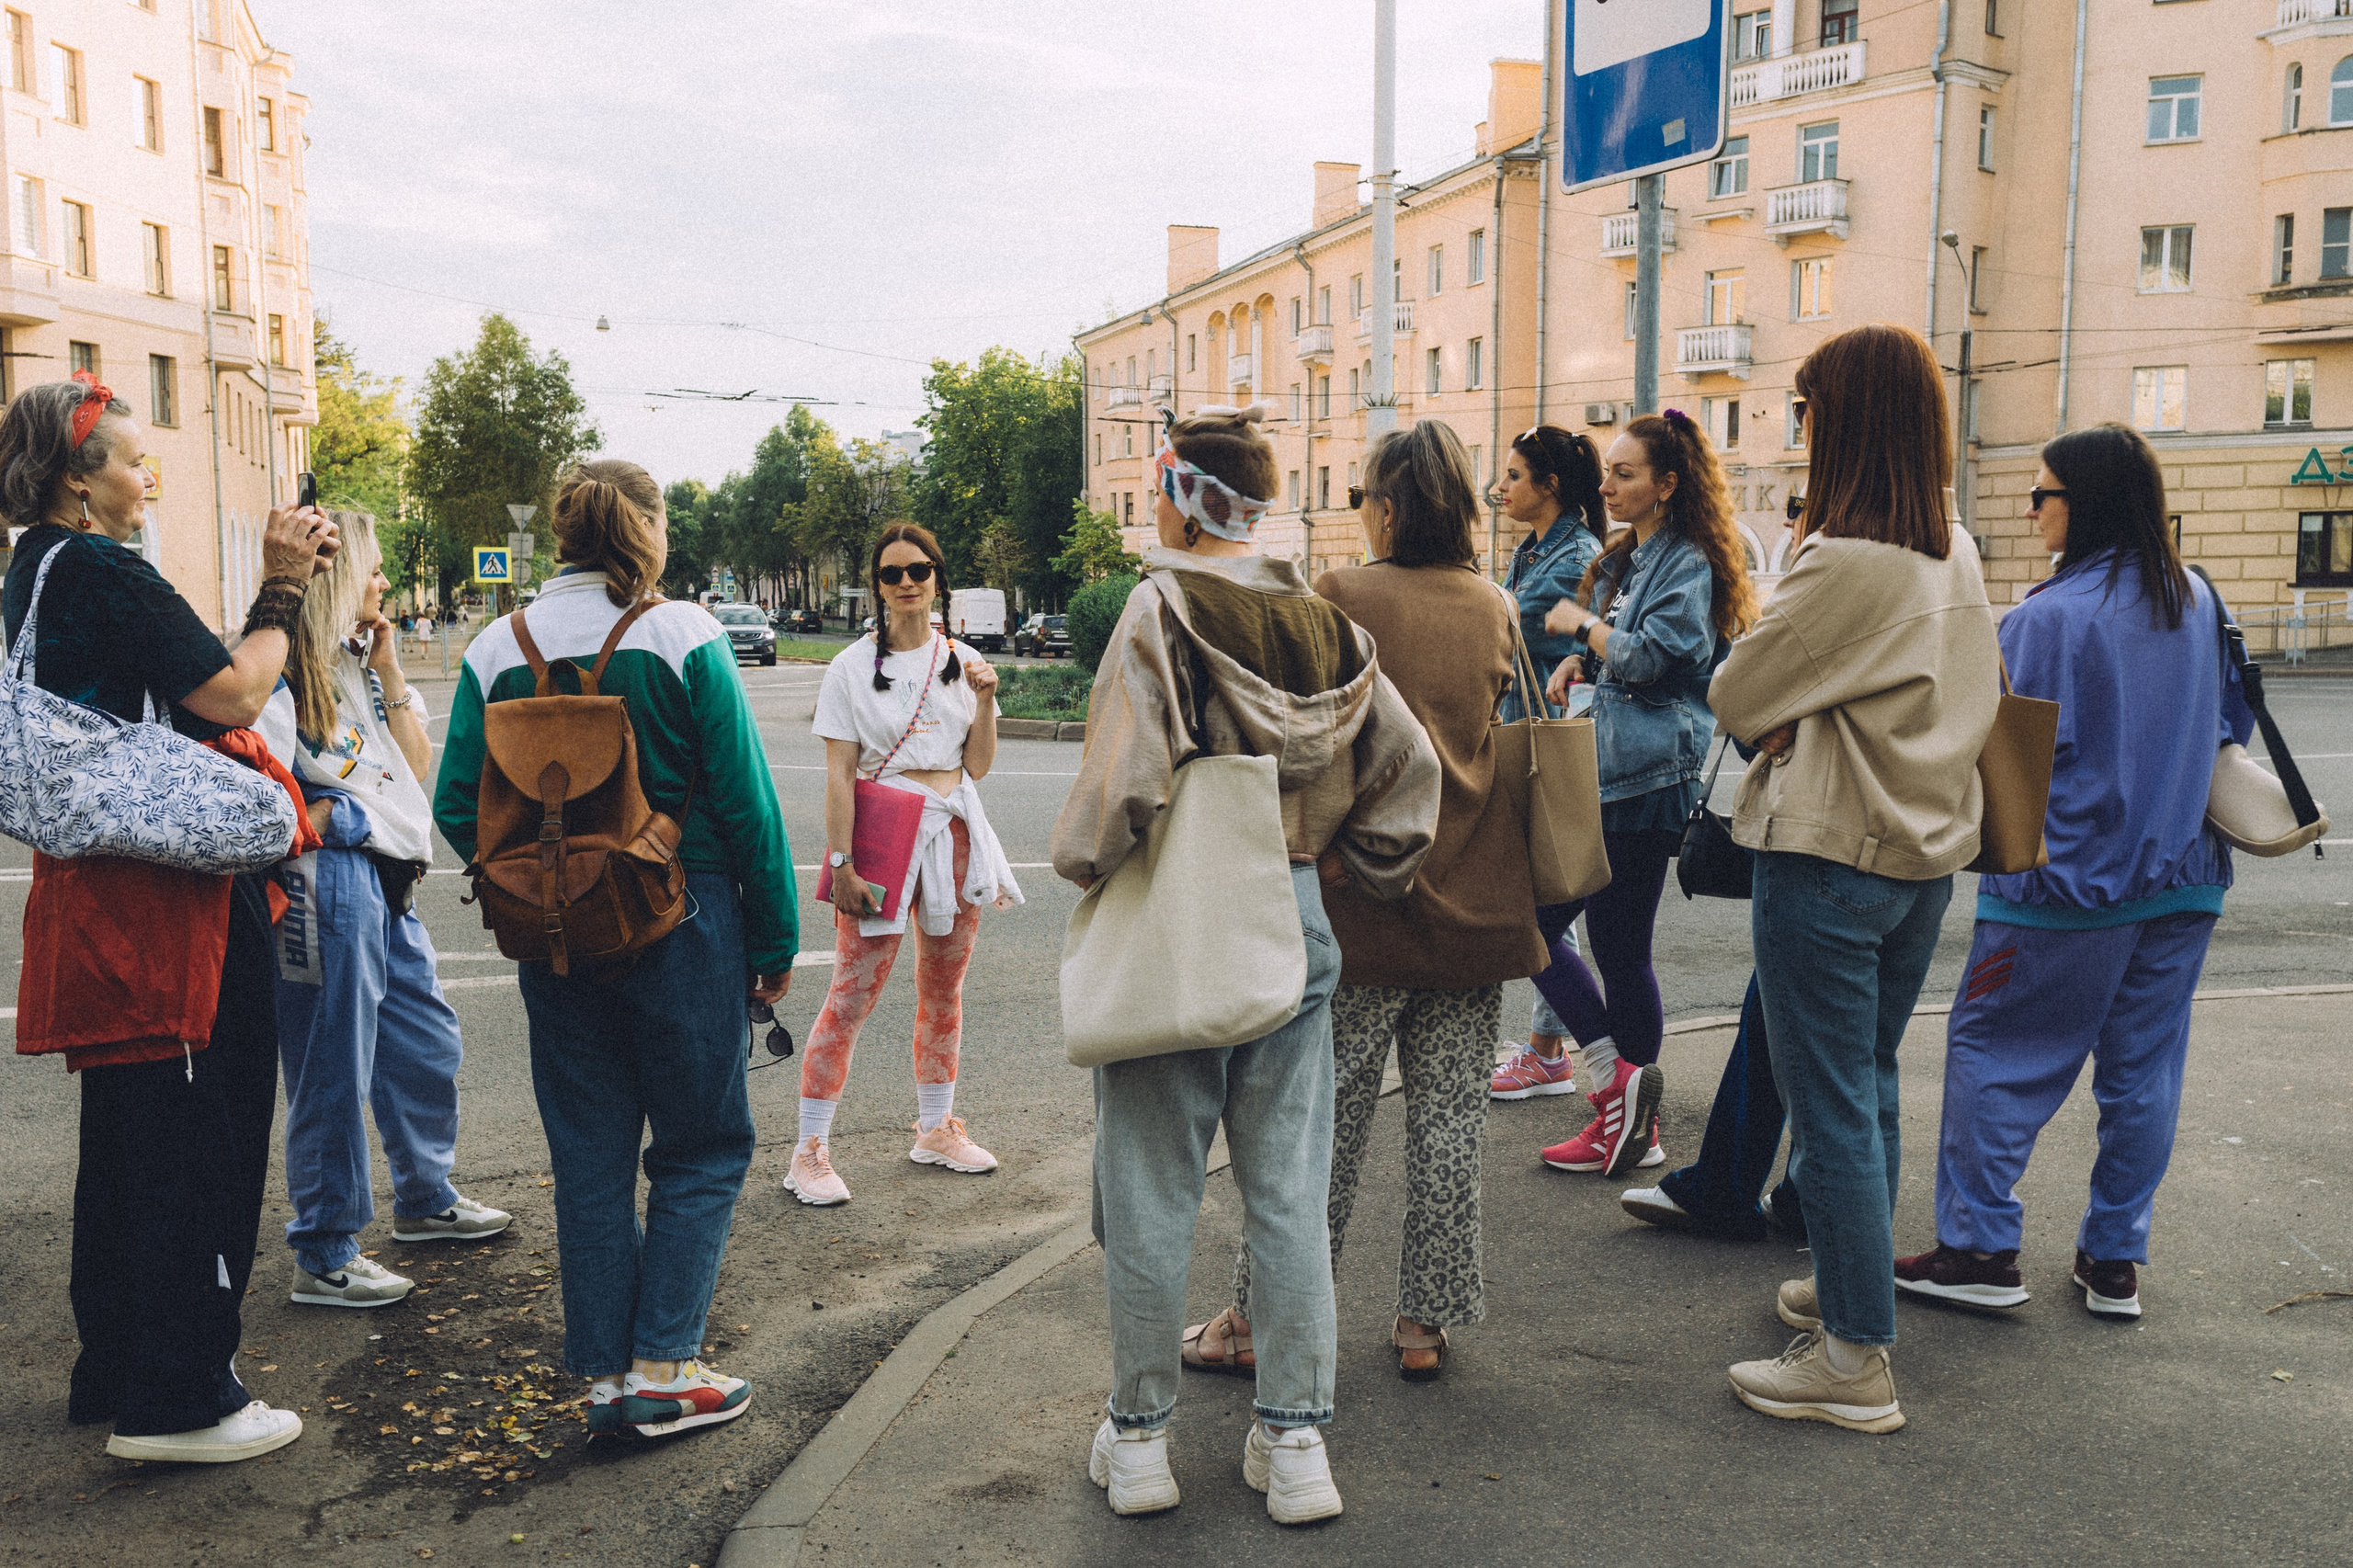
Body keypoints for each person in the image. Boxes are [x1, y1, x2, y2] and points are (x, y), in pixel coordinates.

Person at [1051, 403, 1438, 1524]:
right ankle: (1295, 1440)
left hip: (1181, 916)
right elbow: (1407, 776)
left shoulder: (1160, 605)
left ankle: (1139, 1442)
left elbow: (1119, 787)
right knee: (1286, 1192)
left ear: (1175, 489)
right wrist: (1350, 863)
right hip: (1295, 914)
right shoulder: (1326, 627)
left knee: (1150, 1191)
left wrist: (1086, 866)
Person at [5, 374, 335, 1463]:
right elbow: (237, 692)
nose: (150, 474)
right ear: (76, 480)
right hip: (168, 904)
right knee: (203, 1134)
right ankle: (183, 1395)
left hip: (94, 888)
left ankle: (119, 1366)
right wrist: (282, 587)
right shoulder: (100, 567)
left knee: (131, 1139)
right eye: (132, 459)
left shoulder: (30, 574)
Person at [433, 460, 798, 1439]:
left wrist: (541, 883)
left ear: (557, 530)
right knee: (703, 1143)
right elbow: (745, 799)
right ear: (647, 530)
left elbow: (454, 804)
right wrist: (775, 939)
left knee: (589, 1154)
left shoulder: (492, 648)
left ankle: (602, 1377)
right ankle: (665, 1368)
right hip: (686, 917)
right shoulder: (681, 632)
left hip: (554, 936)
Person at [1186, 420, 1545, 1386]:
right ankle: (1424, 1322)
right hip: (1479, 900)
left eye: (1361, 496)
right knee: (1449, 1123)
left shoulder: (1340, 594)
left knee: (1313, 1132)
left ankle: (1256, 1319)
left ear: (1386, 504)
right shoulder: (1493, 602)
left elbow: (1313, 741)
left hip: (1364, 902)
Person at [1709, 323, 2001, 1434]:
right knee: (1865, 1086)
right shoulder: (1952, 550)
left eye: (1807, 407)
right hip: (1921, 856)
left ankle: (1852, 1359)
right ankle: (1850, 1290)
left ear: (1848, 422)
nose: (1799, 423)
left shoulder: (1842, 560)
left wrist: (1794, 707)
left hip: (1828, 854)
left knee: (1827, 1102)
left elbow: (1739, 695)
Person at [1896, 423, 2251, 1321]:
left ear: (2079, 503)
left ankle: (1978, 1246)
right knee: (2143, 1072)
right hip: (2183, 877)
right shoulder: (2197, 599)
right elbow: (2230, 730)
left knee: (1993, 1053)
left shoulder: (2048, 616)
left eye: (2042, 493)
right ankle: (2113, 1260)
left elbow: (2009, 753)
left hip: (2063, 885)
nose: (2030, 509)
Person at [259, 510, 510, 1311]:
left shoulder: (350, 662)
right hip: (329, 882)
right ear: (338, 578)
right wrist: (337, 820)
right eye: (373, 571)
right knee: (331, 1065)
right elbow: (253, 775)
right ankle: (326, 1249)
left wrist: (391, 665)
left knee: (424, 1044)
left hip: (388, 886)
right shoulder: (280, 667)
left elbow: (413, 765)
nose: (386, 585)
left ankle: (425, 1197)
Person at [1527, 412, 1757, 1179]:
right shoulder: (1645, 554)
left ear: (1668, 484)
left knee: (1548, 931)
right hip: (1622, 772)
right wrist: (1583, 666)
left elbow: (1662, 657)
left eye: (1626, 474)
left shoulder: (1685, 559)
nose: (1608, 485)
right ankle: (1630, 1111)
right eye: (1609, 472)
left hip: (1646, 779)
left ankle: (1621, 1098)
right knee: (1613, 951)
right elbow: (1634, 663)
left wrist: (1584, 630)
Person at [785, 522, 1022, 1207]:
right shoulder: (851, 669)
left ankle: (934, 1129)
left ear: (938, 578)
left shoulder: (965, 660)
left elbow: (975, 765)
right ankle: (807, 1151)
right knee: (851, 998)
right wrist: (843, 863)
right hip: (884, 843)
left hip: (952, 838)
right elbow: (838, 777)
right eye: (892, 574)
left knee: (943, 992)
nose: (907, 582)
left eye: (919, 569)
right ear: (877, 587)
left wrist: (985, 699)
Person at [1486, 425, 1607, 1102]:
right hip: (1522, 733)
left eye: (1512, 476)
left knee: (1545, 901)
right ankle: (1549, 1047)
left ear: (1550, 485)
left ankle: (1553, 1051)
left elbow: (1506, 625)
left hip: (1549, 743)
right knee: (1544, 902)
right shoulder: (1536, 549)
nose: (1499, 487)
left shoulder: (1577, 556)